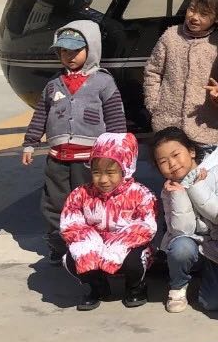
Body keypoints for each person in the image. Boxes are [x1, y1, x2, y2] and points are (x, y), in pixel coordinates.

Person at [22, 20, 126, 263]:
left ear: (92, 48)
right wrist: (30, 142)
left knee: (91, 201)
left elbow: (115, 118)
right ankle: (59, 242)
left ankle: (93, 242)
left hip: (89, 160)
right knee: (55, 202)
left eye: (75, 50)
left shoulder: (103, 82)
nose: (69, 56)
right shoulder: (53, 85)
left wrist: (119, 152)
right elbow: (41, 114)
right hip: (57, 159)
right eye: (63, 51)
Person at [59, 132, 157, 311]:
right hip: (95, 244)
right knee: (73, 259)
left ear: (126, 169)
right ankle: (98, 286)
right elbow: (71, 222)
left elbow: (146, 226)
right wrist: (91, 244)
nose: (103, 179)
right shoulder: (80, 194)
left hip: (125, 246)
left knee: (134, 261)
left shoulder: (141, 194)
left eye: (111, 172)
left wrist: (117, 245)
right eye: (96, 173)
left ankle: (135, 286)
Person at [154, 127, 218, 314]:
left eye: (176, 155)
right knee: (181, 247)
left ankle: (208, 273)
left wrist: (195, 186)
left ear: (191, 151)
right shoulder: (169, 188)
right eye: (163, 162)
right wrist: (178, 195)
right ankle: (178, 286)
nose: (172, 164)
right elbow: (181, 231)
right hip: (192, 243)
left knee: (213, 304)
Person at [142, 0, 218, 150]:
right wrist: (154, 104)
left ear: (217, 17)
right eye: (192, 9)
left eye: (204, 14)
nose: (194, 17)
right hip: (168, 126)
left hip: (207, 129)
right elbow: (152, 71)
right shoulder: (170, 36)